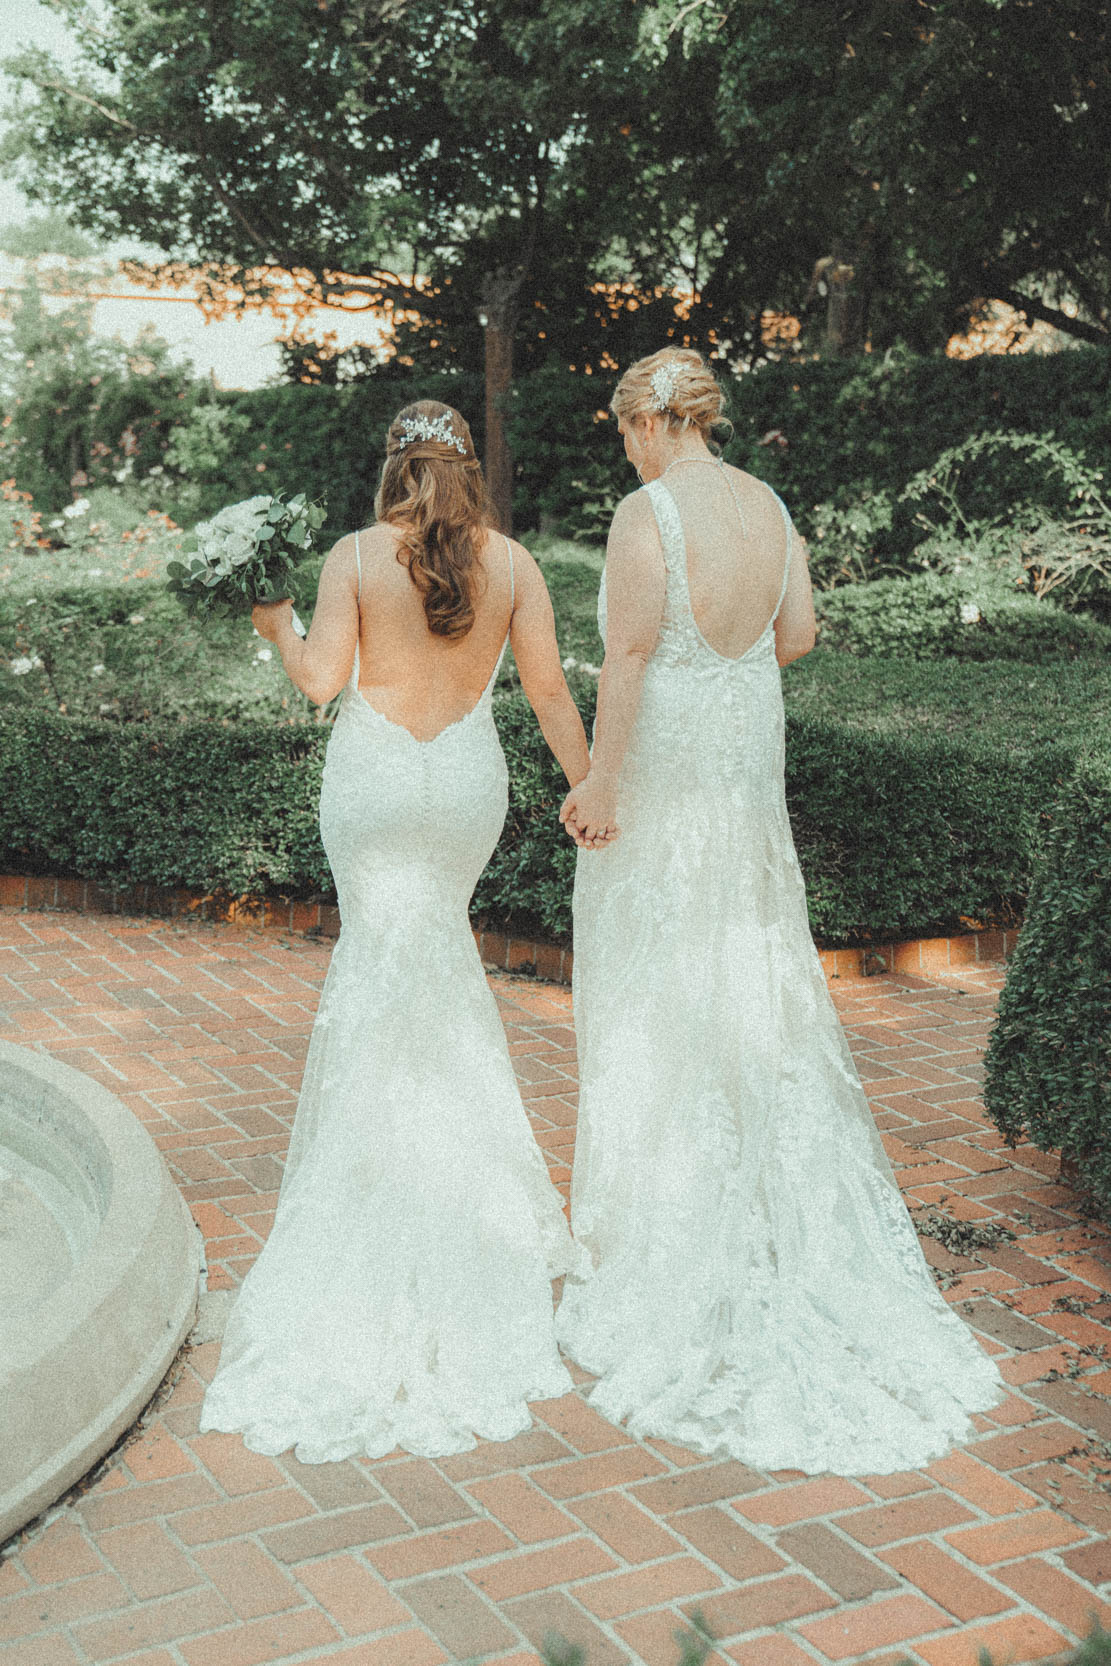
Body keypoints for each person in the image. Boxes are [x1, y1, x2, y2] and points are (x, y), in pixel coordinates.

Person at [556, 349, 1005, 1475]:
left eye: (622, 429)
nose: (622, 446)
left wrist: (601, 781)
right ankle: (758, 1198)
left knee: (658, 973)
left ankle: (668, 1223)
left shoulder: (644, 510)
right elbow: (794, 637)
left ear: (648, 424)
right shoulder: (769, 503)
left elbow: (626, 652)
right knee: (747, 963)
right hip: (745, 767)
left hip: (665, 769)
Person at [200, 401, 592, 1461]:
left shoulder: (355, 556)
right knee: (443, 960)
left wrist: (274, 621)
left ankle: (379, 1178)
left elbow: (323, 683)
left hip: (374, 785)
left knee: (381, 963)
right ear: (468, 472)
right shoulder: (514, 564)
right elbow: (549, 688)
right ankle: (466, 1193)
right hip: (464, 783)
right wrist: (592, 788)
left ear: (393, 470)